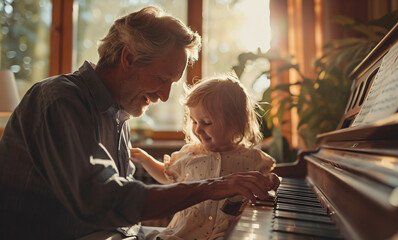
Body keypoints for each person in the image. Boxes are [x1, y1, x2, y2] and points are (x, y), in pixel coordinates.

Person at [0, 6, 279, 240]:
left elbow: (120, 219)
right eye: (162, 79)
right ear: (128, 58)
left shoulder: (117, 113)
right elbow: (104, 200)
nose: (164, 95)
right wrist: (214, 186)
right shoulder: (61, 101)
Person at [130, 74, 279, 240]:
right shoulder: (190, 154)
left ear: (235, 123)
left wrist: (271, 181)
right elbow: (167, 177)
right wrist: (145, 159)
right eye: (194, 121)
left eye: (207, 122)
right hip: (185, 232)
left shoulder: (253, 158)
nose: (198, 129)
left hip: (228, 233)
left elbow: (265, 182)